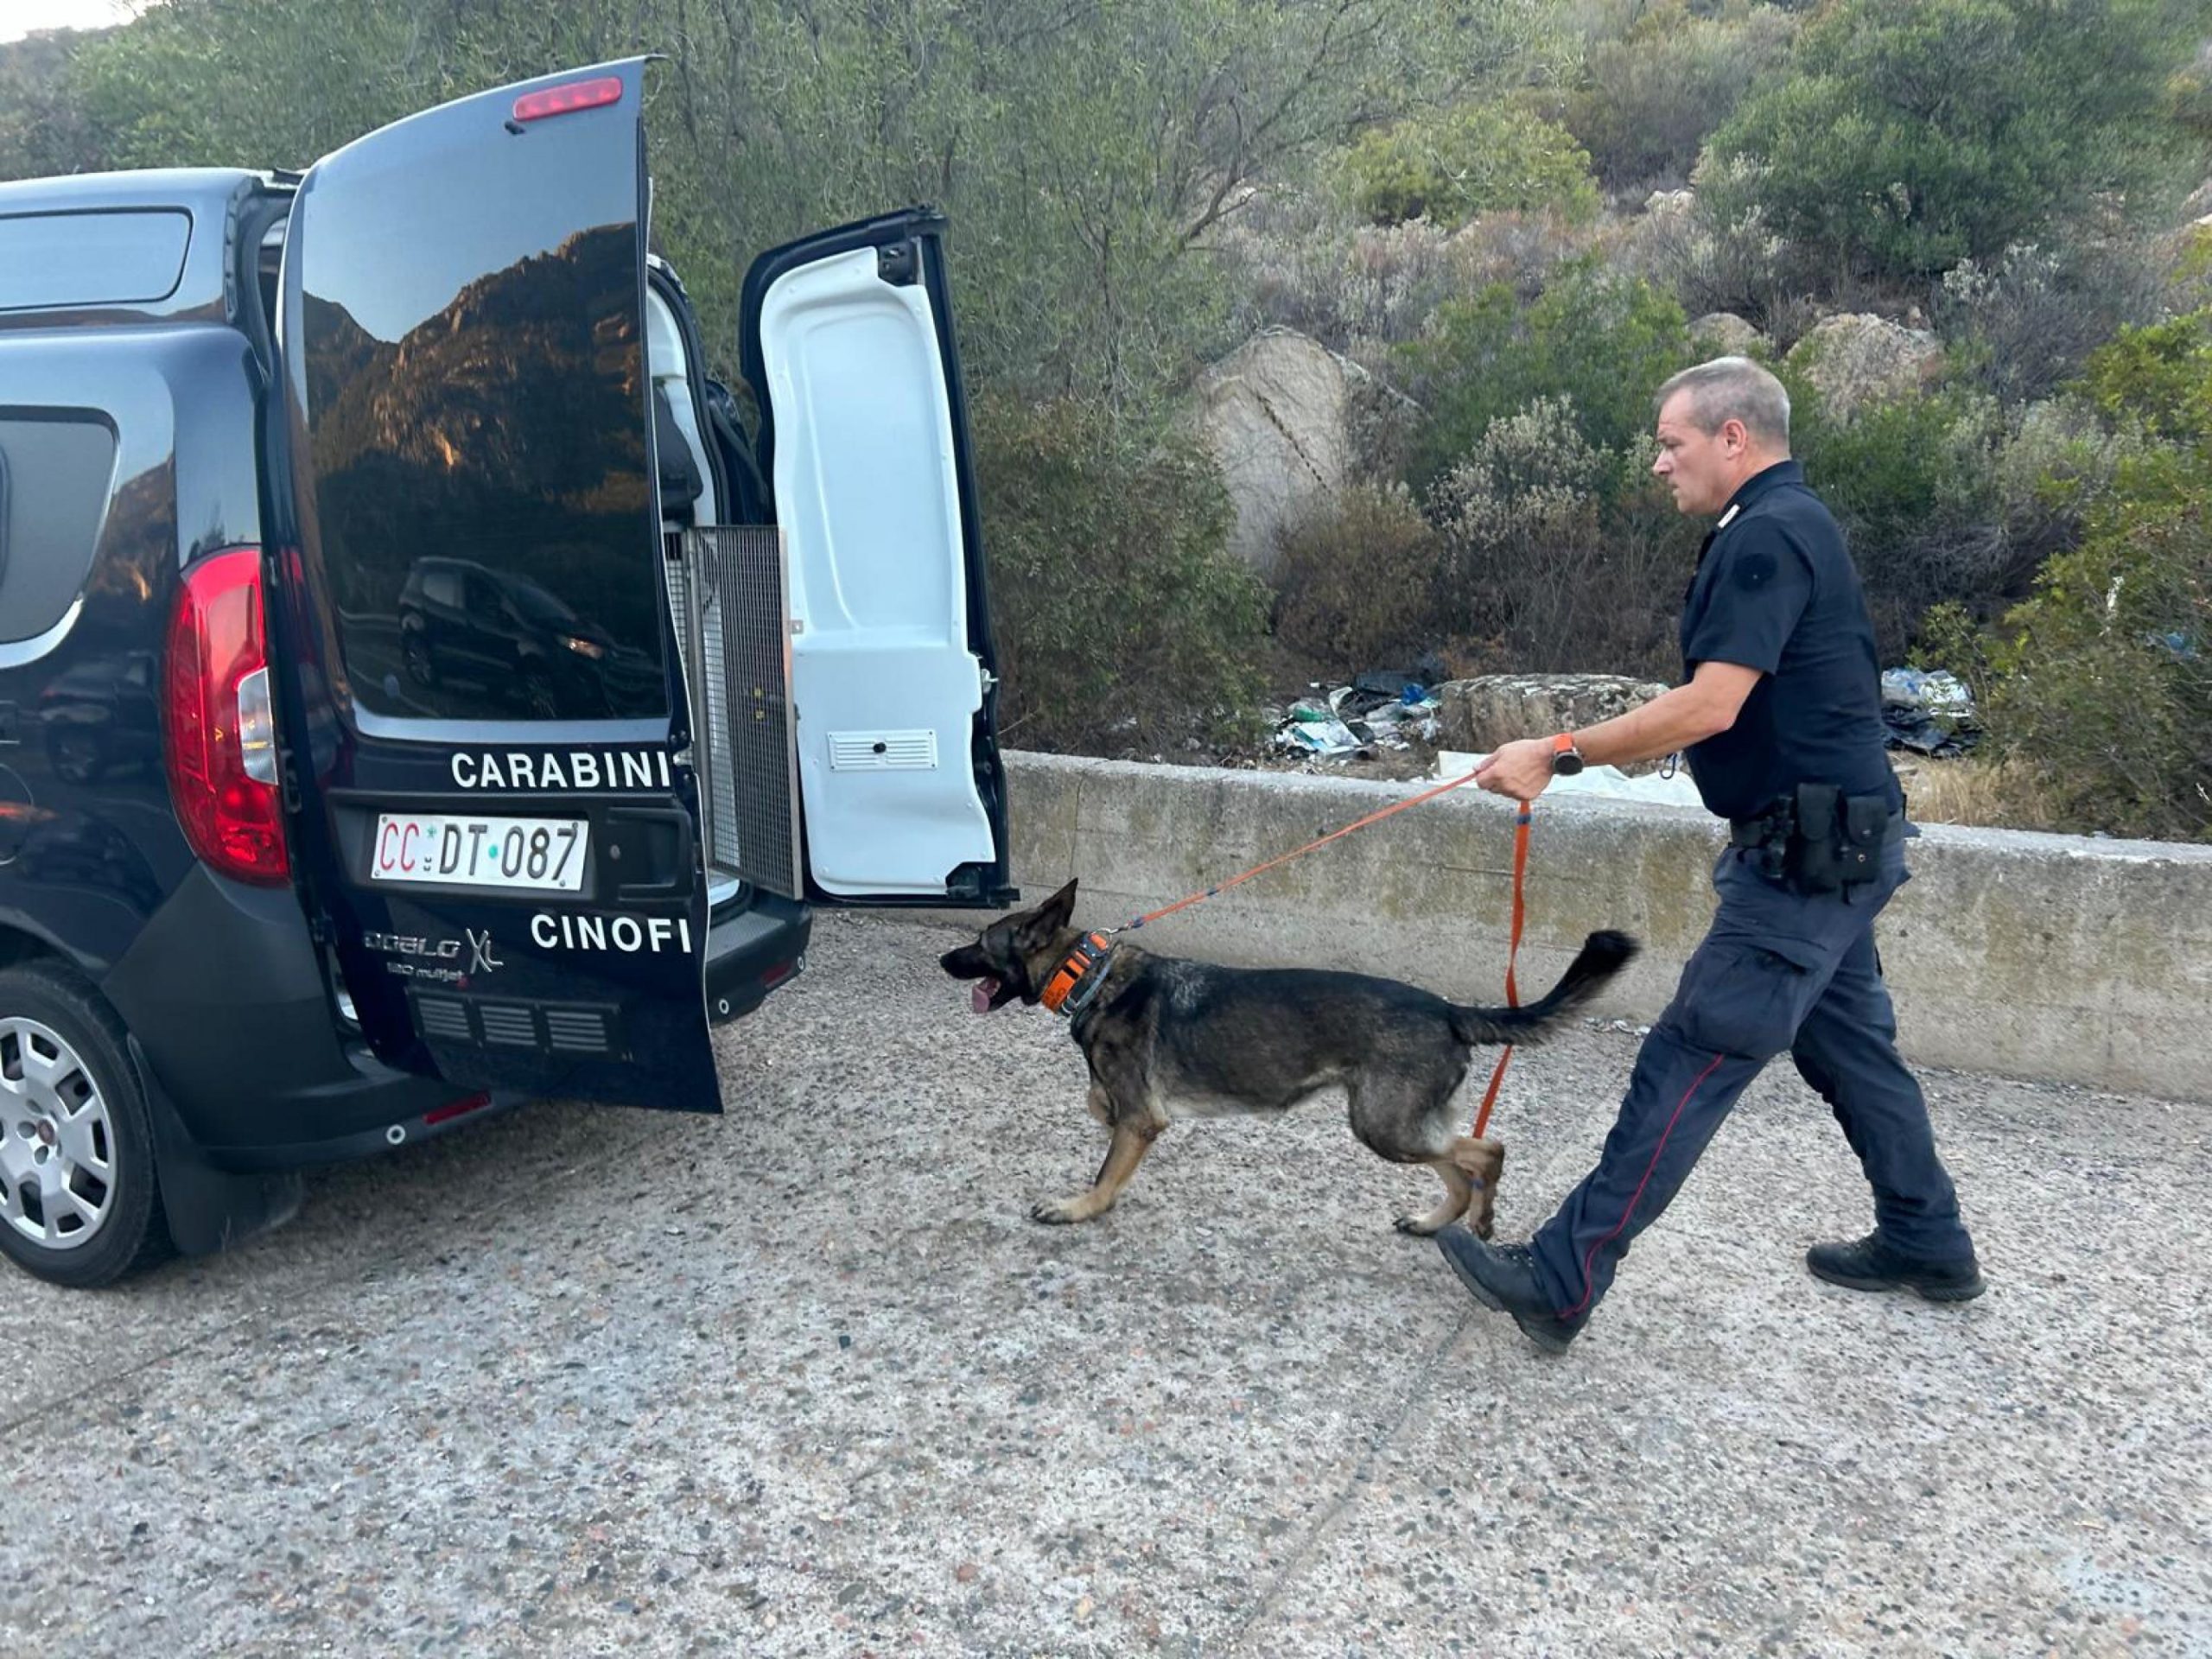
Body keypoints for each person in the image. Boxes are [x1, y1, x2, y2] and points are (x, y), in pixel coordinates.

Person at [1434, 356, 1981, 1352]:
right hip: (1842, 849)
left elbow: (1709, 705)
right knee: (1849, 1047)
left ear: (1734, 437)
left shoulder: (1768, 534)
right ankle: (1926, 1238)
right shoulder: (1783, 523)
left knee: (1691, 1056)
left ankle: (1558, 1281)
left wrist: (1556, 752)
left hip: (1804, 864)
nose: (1657, 463)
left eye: (1670, 441)